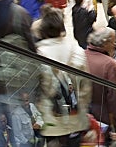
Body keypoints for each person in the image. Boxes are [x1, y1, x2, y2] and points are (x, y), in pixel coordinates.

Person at [36, 8, 91, 146]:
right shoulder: (76, 50)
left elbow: (38, 90)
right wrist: (81, 107)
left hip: (51, 120)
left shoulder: (37, 53)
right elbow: (86, 87)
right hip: (75, 118)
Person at [85, 27, 116, 137]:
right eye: (114, 41)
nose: (115, 45)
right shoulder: (110, 64)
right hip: (102, 120)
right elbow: (115, 98)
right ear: (105, 43)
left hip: (82, 117)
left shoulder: (81, 55)